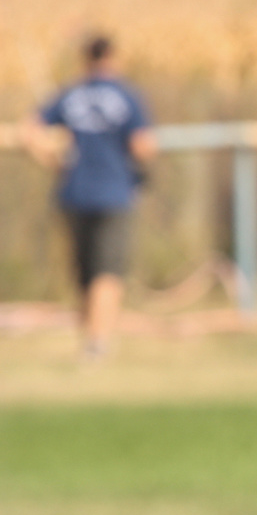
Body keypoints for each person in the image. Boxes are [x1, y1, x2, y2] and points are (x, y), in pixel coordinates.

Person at [22, 35, 156, 361]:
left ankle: (90, 340)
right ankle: (97, 344)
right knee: (107, 271)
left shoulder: (71, 94)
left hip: (75, 192)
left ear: (85, 60)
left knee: (84, 272)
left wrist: (53, 160)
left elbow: (28, 130)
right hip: (114, 193)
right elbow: (144, 146)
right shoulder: (127, 95)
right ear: (113, 58)